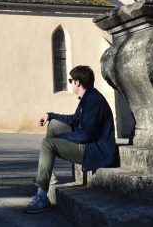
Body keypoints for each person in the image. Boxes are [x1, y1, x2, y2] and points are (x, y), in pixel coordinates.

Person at [24, 65, 116, 214]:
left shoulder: (93, 101)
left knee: (48, 144)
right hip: (89, 143)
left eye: (70, 80)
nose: (70, 83)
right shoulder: (88, 97)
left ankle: (42, 196)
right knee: (53, 125)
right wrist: (51, 115)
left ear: (77, 82)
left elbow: (84, 136)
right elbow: (73, 120)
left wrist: (59, 140)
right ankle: (47, 175)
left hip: (96, 150)